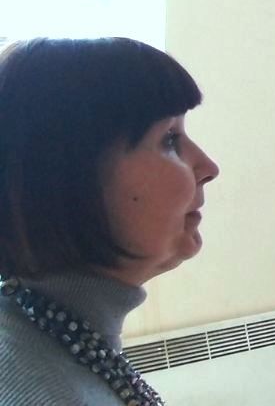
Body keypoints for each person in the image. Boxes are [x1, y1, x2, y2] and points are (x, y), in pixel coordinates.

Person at [0, 38, 220, 405]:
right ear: (68, 177)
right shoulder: (34, 391)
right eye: (169, 139)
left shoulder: (52, 334)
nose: (209, 167)